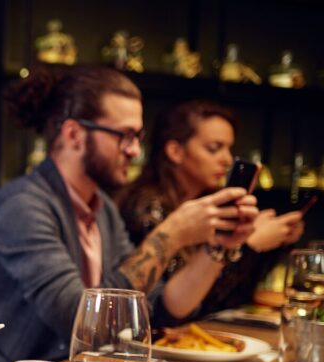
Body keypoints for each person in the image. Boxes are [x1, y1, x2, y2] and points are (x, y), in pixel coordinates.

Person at [0, 66, 258, 362]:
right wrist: (170, 235)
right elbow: (80, 321)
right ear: (74, 134)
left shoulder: (101, 206)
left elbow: (156, 308)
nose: (134, 150)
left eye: (138, 137)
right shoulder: (22, 205)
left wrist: (216, 249)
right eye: (124, 136)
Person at [117, 100, 304, 313]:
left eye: (229, 148)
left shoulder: (210, 203)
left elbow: (236, 296)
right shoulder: (145, 208)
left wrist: (273, 244)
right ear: (175, 151)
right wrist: (250, 246)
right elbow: (194, 306)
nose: (227, 159)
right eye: (214, 148)